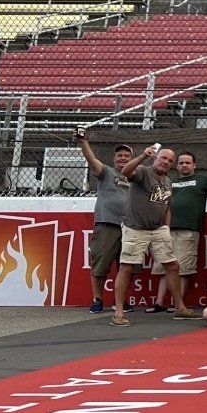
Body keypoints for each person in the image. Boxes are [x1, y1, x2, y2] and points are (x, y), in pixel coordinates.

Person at [110, 143, 180, 328]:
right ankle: (118, 312)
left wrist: (167, 227)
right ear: (155, 158)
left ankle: (180, 308)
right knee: (126, 268)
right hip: (136, 228)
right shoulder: (143, 171)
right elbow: (125, 171)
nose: (166, 162)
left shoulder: (168, 181)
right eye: (163, 158)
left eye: (170, 161)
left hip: (159, 229)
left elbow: (166, 206)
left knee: (172, 265)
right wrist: (142, 155)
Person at [74, 131, 134, 315]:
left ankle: (120, 301)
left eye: (127, 156)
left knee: (128, 266)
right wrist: (83, 142)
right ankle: (97, 299)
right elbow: (91, 159)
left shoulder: (137, 176)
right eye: (119, 155)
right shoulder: (107, 172)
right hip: (107, 225)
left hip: (131, 228)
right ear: (114, 159)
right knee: (100, 266)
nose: (123, 158)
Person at [162, 149, 207, 317]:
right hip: (167, 229)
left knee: (183, 268)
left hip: (189, 229)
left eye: (188, 162)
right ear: (176, 166)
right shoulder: (170, 182)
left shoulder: (202, 179)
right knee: (163, 267)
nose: (184, 165)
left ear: (194, 165)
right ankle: (159, 302)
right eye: (181, 163)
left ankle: (178, 304)